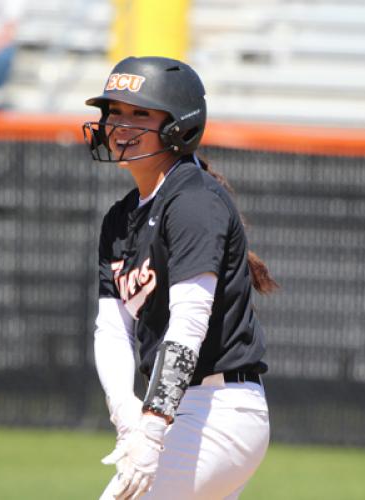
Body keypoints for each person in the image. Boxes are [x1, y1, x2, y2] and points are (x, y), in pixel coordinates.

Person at [83, 56, 278, 500]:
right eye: (114, 111)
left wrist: (152, 429)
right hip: (180, 408)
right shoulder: (121, 217)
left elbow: (189, 323)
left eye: (140, 114)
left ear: (179, 126)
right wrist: (125, 413)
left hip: (217, 411)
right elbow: (111, 329)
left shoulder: (191, 200)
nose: (120, 125)